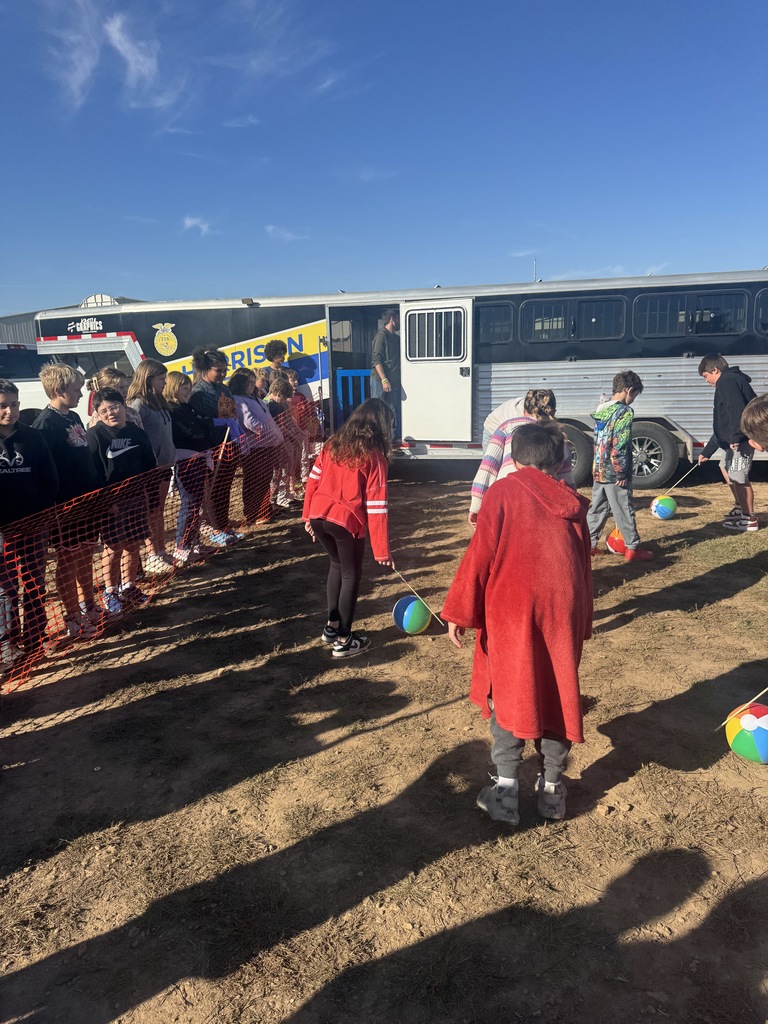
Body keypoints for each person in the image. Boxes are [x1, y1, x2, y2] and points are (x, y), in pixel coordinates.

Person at [443, 423, 592, 824]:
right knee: (556, 693)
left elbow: (480, 556)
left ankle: (506, 793)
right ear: (559, 461)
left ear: (514, 457)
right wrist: (582, 621)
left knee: (509, 692)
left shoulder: (502, 492)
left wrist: (458, 611)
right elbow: (583, 568)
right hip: (562, 612)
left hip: (512, 612)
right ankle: (552, 791)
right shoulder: (573, 503)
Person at [302, 398, 395, 659]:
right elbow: (377, 506)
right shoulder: (374, 457)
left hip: (320, 516)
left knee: (337, 565)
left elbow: (312, 481)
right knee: (351, 575)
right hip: (344, 522)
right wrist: (382, 551)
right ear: (380, 426)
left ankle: (332, 628)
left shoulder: (332, 444)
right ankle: (343, 640)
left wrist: (308, 516)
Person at [32, 363, 101, 640]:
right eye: (76, 390)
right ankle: (72, 616)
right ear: (59, 391)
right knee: (68, 559)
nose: (81, 395)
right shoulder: (45, 424)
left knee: (86, 554)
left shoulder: (73, 417)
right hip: (65, 506)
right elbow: (44, 468)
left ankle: (88, 605)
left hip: (87, 501)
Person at [0, 379, 59, 664]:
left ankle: (36, 636)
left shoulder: (33, 437)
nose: (9, 411)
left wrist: (44, 512)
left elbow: (49, 477)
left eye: (14, 405)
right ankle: (9, 643)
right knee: (7, 588)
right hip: (3, 529)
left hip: (34, 523)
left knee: (35, 582)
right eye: (2, 406)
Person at [87, 388, 157, 613]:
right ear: (98, 414)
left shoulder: (137, 432)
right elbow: (94, 471)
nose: (111, 413)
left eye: (114, 407)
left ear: (123, 406)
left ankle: (129, 586)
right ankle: (110, 591)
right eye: (104, 410)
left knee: (133, 544)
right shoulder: (95, 435)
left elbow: (149, 465)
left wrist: (151, 495)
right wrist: (105, 501)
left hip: (135, 498)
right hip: (111, 504)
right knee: (113, 547)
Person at [468, 389, 574, 529]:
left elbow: (488, 467)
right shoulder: (559, 436)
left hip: (507, 496)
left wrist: (476, 506)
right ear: (553, 411)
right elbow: (567, 477)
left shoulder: (507, 427)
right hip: (544, 501)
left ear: (524, 409)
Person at [586, 370, 653, 562]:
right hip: (615, 472)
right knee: (624, 507)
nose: (633, 401)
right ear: (629, 390)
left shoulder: (601, 409)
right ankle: (632, 547)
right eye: (635, 396)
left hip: (599, 469)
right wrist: (621, 472)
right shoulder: (624, 412)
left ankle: (588, 545)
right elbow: (620, 445)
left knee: (597, 508)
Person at [188, 348, 243, 546]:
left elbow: (232, 413)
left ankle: (224, 525)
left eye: (224, 370)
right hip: (212, 448)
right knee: (213, 490)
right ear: (205, 369)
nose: (222, 374)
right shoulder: (198, 393)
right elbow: (197, 423)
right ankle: (215, 528)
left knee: (225, 487)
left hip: (229, 444)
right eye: (218, 370)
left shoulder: (224, 390)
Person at [697, 354, 758, 532]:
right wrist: (707, 451)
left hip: (742, 439)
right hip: (736, 438)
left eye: (705, 376)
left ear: (715, 370)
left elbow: (736, 409)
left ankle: (749, 519)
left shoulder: (727, 380)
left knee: (739, 477)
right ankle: (740, 506)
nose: (706, 381)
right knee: (724, 467)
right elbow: (722, 423)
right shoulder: (728, 381)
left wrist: (735, 436)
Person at [127, 360, 176, 573]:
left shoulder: (159, 401)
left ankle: (161, 550)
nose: (164, 383)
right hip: (151, 468)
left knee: (159, 511)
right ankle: (152, 554)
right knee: (151, 512)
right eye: (161, 379)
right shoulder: (138, 404)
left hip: (165, 465)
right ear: (148, 379)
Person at [164, 371, 217, 563]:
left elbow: (204, 425)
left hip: (199, 457)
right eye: (184, 388)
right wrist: (203, 430)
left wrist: (205, 429)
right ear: (173, 388)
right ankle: (182, 546)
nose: (188, 392)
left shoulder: (186, 407)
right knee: (189, 503)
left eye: (189, 388)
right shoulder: (172, 410)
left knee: (197, 503)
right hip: (186, 460)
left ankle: (194, 542)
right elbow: (191, 431)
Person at [228, 368, 286, 524]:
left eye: (253, 382)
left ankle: (263, 510)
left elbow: (268, 419)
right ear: (240, 383)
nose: (251, 385)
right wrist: (267, 432)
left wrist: (276, 434)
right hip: (255, 447)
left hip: (268, 445)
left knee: (265, 478)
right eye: (248, 382)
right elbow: (249, 422)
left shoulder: (256, 398)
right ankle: (252, 513)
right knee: (254, 479)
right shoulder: (238, 400)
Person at [370, 308, 401, 439]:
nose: (400, 321)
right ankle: (377, 439)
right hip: (379, 381)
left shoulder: (396, 338)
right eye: (398, 318)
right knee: (378, 410)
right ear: (392, 319)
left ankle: (390, 439)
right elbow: (376, 359)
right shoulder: (381, 336)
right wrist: (384, 379)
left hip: (394, 381)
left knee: (392, 410)